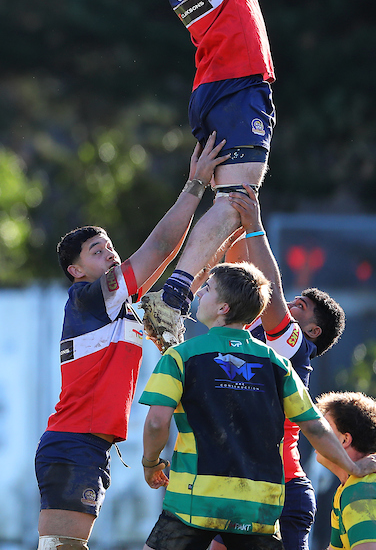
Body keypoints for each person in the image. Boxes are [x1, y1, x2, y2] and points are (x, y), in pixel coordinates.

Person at [33, 136, 228, 550]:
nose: (108, 252)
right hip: (73, 440)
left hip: (87, 443)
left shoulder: (117, 309)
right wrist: (194, 185)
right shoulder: (87, 297)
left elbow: (174, 276)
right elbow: (157, 248)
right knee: (60, 548)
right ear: (75, 270)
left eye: (109, 246)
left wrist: (216, 242)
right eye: (95, 250)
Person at [137, 263, 375, 550]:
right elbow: (314, 426)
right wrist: (351, 466)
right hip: (259, 506)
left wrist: (151, 464)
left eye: (208, 289)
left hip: (194, 500)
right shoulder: (278, 365)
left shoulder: (181, 356)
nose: (199, 292)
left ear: (224, 308)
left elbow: (155, 423)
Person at [147, 0, 275, 330]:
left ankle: (205, 301)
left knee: (233, 202)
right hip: (240, 84)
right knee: (239, 200)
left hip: (213, 87)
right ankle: (175, 297)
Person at [199, 186, 348, 550]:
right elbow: (234, 278)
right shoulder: (245, 331)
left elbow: (272, 291)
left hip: (280, 487)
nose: (294, 302)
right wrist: (230, 220)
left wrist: (253, 225)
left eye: (303, 306)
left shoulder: (295, 345)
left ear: (312, 331)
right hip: (239, 484)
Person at [314, 391, 376, 550]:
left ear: (345, 439)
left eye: (325, 427)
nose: (316, 434)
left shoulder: (361, 488)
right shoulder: (345, 489)